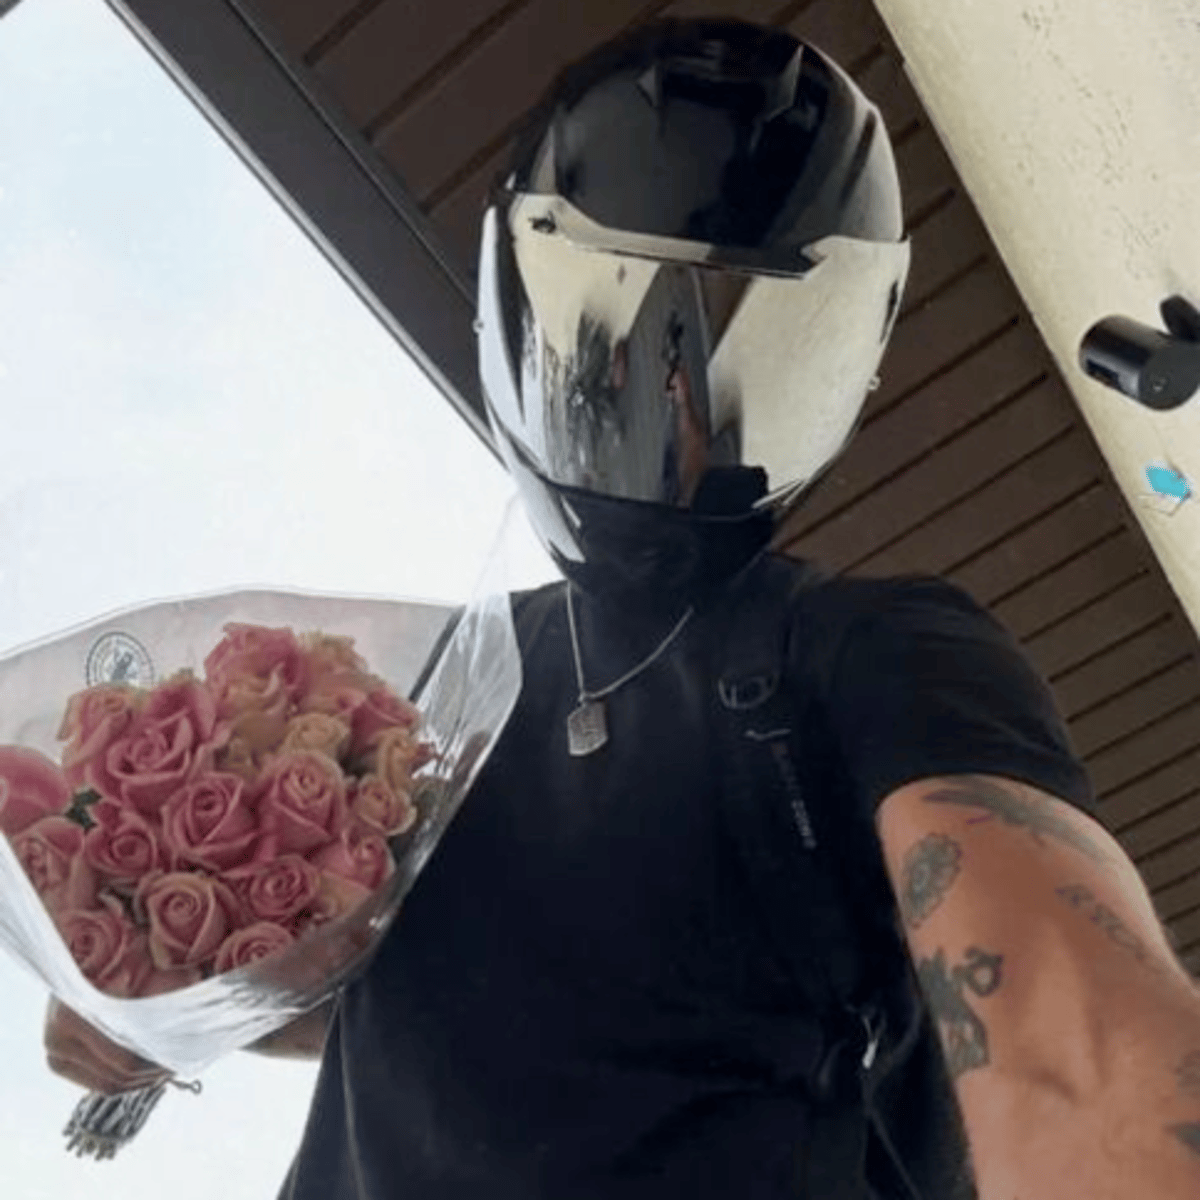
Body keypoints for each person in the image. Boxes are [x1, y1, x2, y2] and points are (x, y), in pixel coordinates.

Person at [46, 19, 1200, 1199]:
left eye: (715, 354)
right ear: (520, 319)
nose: (671, 399)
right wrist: (173, 994)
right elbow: (397, 1015)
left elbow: (1072, 1030)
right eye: (629, 340)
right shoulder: (435, 696)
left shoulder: (875, 648)